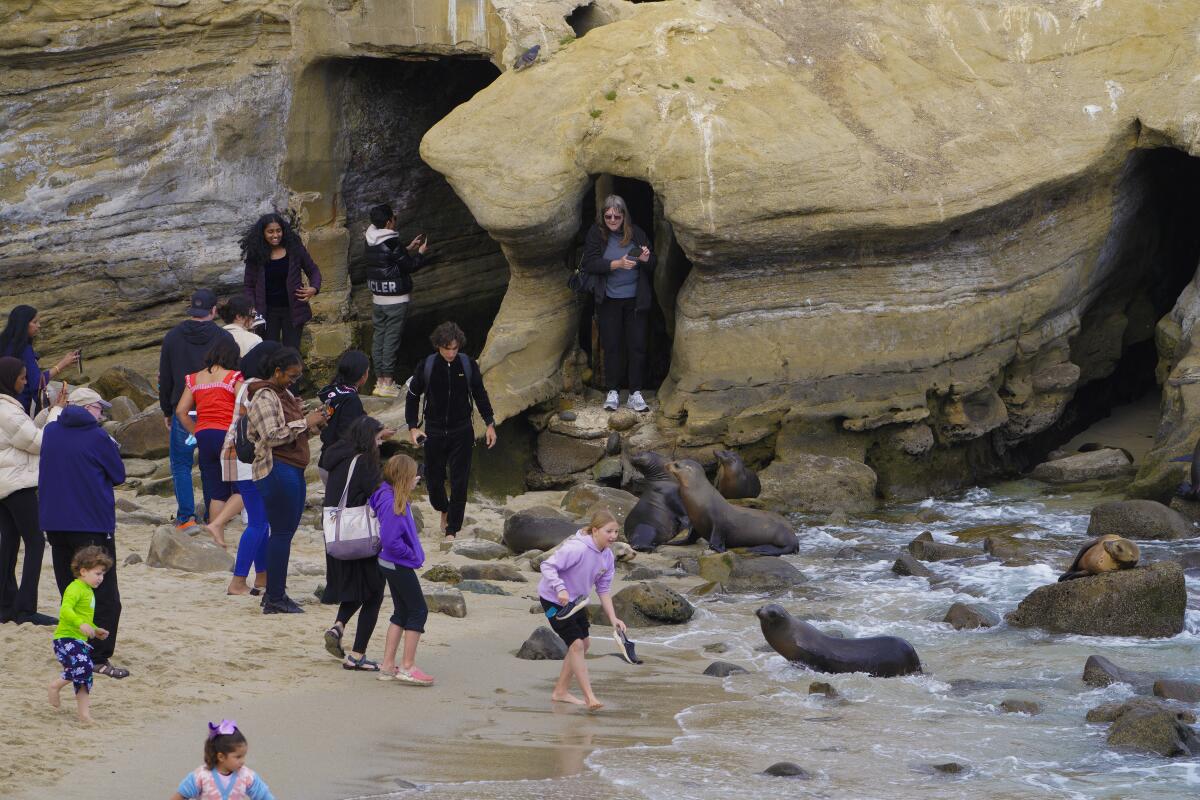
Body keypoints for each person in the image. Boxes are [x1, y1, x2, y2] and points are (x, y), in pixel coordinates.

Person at [39, 386, 129, 677]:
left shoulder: (52, 432)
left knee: (70, 589)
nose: (102, 413)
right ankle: (99, 657)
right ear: (87, 409)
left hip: (55, 521)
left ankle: (73, 650)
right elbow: (118, 475)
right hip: (90, 522)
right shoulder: (98, 436)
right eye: (99, 408)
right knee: (103, 594)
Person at [245, 347, 326, 614]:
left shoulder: (284, 395)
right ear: (277, 372)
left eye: (298, 376)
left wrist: (313, 423)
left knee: (283, 533)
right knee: (281, 533)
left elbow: (291, 434)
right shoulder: (263, 396)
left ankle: (274, 594)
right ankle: (275, 597)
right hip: (277, 469)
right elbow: (271, 436)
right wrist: (305, 421)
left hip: (290, 468)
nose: (294, 380)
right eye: (291, 375)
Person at [405, 322, 497, 540]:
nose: (451, 353)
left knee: (459, 480)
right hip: (434, 430)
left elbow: (480, 394)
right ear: (438, 346)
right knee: (434, 479)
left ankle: (452, 529)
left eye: (455, 348)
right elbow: (412, 396)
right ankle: (443, 509)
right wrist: (412, 426)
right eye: (447, 348)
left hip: (462, 430)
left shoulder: (467, 365)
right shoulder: (427, 365)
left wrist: (490, 424)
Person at [159, 289, 237, 531]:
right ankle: (213, 518)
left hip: (183, 410)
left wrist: (167, 411)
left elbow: (166, 378)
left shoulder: (172, 337)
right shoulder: (224, 338)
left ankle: (187, 517)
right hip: (215, 413)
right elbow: (235, 374)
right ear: (214, 311)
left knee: (181, 465)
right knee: (209, 465)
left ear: (191, 309)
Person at [537, 510, 626, 710]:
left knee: (584, 644)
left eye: (616, 532)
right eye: (608, 531)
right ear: (595, 530)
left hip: (576, 601)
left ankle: (561, 691)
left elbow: (603, 589)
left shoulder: (608, 557)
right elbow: (547, 566)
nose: (613, 536)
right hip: (552, 601)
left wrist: (614, 619)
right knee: (576, 645)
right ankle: (590, 697)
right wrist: (559, 588)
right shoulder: (576, 549)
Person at [321, 416, 387, 671]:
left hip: (338, 536)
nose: (379, 444)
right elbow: (377, 495)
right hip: (360, 536)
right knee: (374, 593)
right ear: (368, 438)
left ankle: (338, 626)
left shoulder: (337, 458)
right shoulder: (366, 462)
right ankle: (357, 655)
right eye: (378, 439)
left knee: (357, 588)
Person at [0, 356, 62, 626]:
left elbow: (25, 434)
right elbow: (40, 442)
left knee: (9, 544)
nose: (25, 382)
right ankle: (25, 609)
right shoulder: (6, 409)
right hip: (17, 484)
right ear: (8, 378)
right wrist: (58, 412)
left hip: (7, 483)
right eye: (22, 377)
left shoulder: (8, 408)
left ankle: (6, 606)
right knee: (35, 542)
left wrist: (47, 412)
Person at [580, 194, 656, 412]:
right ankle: (613, 391)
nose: (612, 220)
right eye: (608, 216)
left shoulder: (637, 233)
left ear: (624, 216)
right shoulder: (597, 233)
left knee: (637, 346)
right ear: (602, 216)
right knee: (612, 346)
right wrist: (617, 263)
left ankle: (635, 393)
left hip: (635, 300)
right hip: (609, 300)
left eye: (616, 216)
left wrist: (645, 259)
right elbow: (590, 263)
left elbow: (653, 262)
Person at [217, 341, 281, 597]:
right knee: (258, 522)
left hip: (235, 455)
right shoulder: (256, 388)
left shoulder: (246, 383)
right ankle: (238, 581)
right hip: (245, 458)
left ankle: (262, 576)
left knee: (260, 521)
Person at [176, 339, 244, 549]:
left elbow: (181, 412)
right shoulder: (234, 377)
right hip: (227, 434)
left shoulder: (194, 378)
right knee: (244, 486)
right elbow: (243, 407)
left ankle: (218, 538)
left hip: (204, 434)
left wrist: (196, 431)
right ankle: (216, 524)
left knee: (217, 489)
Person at [372, 453, 433, 685]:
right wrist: (412, 556)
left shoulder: (389, 494)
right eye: (413, 476)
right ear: (404, 477)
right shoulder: (392, 501)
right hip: (397, 563)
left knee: (401, 611)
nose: (416, 479)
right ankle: (407, 666)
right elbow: (390, 540)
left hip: (390, 562)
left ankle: (388, 666)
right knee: (419, 610)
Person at [364, 203, 429, 397]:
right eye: (394, 218)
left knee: (379, 338)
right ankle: (388, 383)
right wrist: (420, 253)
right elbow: (408, 266)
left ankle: (379, 382)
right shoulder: (392, 243)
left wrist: (406, 247)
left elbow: (388, 259)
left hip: (378, 298)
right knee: (391, 340)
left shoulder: (370, 240)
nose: (395, 221)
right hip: (395, 300)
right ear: (388, 221)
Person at [48, 544, 113, 723]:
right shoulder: (75, 588)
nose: (101, 578)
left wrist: (95, 628)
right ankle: (55, 686)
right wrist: (80, 624)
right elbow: (65, 611)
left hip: (79, 640)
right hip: (65, 639)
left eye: (103, 574)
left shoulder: (88, 591)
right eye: (98, 574)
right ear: (83, 571)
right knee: (84, 668)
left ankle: (84, 715)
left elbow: (83, 616)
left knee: (84, 675)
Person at [240, 213, 322, 349]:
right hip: (267, 312)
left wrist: (314, 288)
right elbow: (249, 285)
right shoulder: (256, 254)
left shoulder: (295, 249)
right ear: (263, 233)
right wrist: (252, 308)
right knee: (270, 351)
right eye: (270, 232)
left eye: (278, 231)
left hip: (293, 310)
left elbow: (313, 270)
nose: (275, 235)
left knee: (292, 350)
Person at [0, 304, 79, 415]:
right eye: (35, 322)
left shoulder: (4, 343)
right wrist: (62, 364)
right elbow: (37, 382)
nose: (39, 325)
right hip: (19, 407)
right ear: (23, 324)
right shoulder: (24, 349)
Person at [171, 720, 275, 800]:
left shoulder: (247, 776)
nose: (243, 761)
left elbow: (264, 796)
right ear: (221, 757)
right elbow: (181, 795)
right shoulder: (201, 776)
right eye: (238, 757)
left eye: (244, 756)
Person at [316, 350, 371, 486]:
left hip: (325, 460)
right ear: (363, 375)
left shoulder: (333, 391)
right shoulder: (351, 399)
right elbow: (348, 435)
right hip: (340, 466)